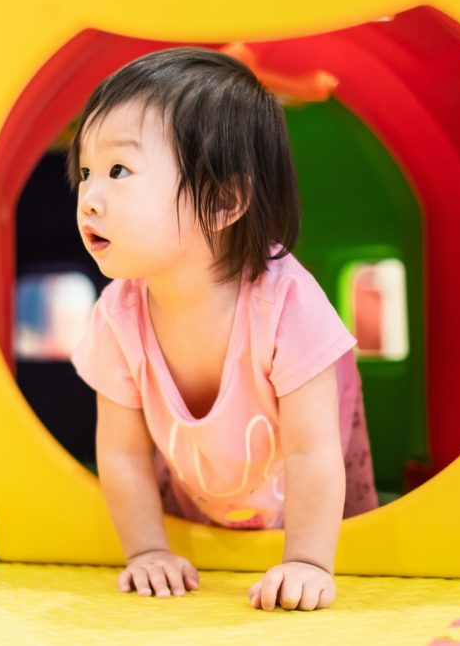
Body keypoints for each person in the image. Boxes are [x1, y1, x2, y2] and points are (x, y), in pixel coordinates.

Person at [68, 47, 378, 611]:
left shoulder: (286, 301)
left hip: (312, 496)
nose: (89, 197)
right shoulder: (118, 315)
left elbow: (313, 451)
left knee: (358, 537)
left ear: (223, 200)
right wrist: (146, 552)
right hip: (203, 504)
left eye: (119, 170)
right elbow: (122, 454)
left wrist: (308, 561)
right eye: (86, 172)